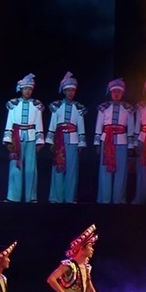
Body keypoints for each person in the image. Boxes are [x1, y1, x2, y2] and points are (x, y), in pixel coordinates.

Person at [40, 225, 99, 292]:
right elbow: (51, 279)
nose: (92, 249)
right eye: (90, 246)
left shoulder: (86, 268)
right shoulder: (68, 265)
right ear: (82, 249)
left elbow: (91, 290)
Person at [45, 72, 86, 203]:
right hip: (59, 139)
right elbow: (53, 123)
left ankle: (70, 198)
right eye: (68, 90)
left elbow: (81, 126)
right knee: (58, 167)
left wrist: (81, 143)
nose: (70, 93)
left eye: (72, 90)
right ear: (64, 91)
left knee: (72, 170)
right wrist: (51, 140)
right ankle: (57, 198)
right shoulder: (57, 106)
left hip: (73, 140)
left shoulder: (78, 107)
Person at [94, 78, 137, 204]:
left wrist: (131, 145)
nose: (116, 94)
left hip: (122, 141)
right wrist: (97, 143)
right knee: (105, 169)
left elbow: (131, 128)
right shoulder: (103, 108)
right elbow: (99, 125)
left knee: (121, 171)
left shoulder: (128, 108)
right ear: (111, 93)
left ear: (122, 93)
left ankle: (119, 199)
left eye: (119, 91)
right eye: (114, 92)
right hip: (107, 140)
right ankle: (105, 199)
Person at [6, 74, 46, 202]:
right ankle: (13, 197)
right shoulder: (13, 104)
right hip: (16, 136)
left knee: (31, 168)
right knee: (15, 166)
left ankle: (31, 197)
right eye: (25, 89)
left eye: (29, 89)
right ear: (21, 89)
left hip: (31, 136)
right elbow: (9, 122)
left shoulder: (37, 105)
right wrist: (8, 139)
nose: (27, 91)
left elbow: (39, 123)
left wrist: (40, 141)